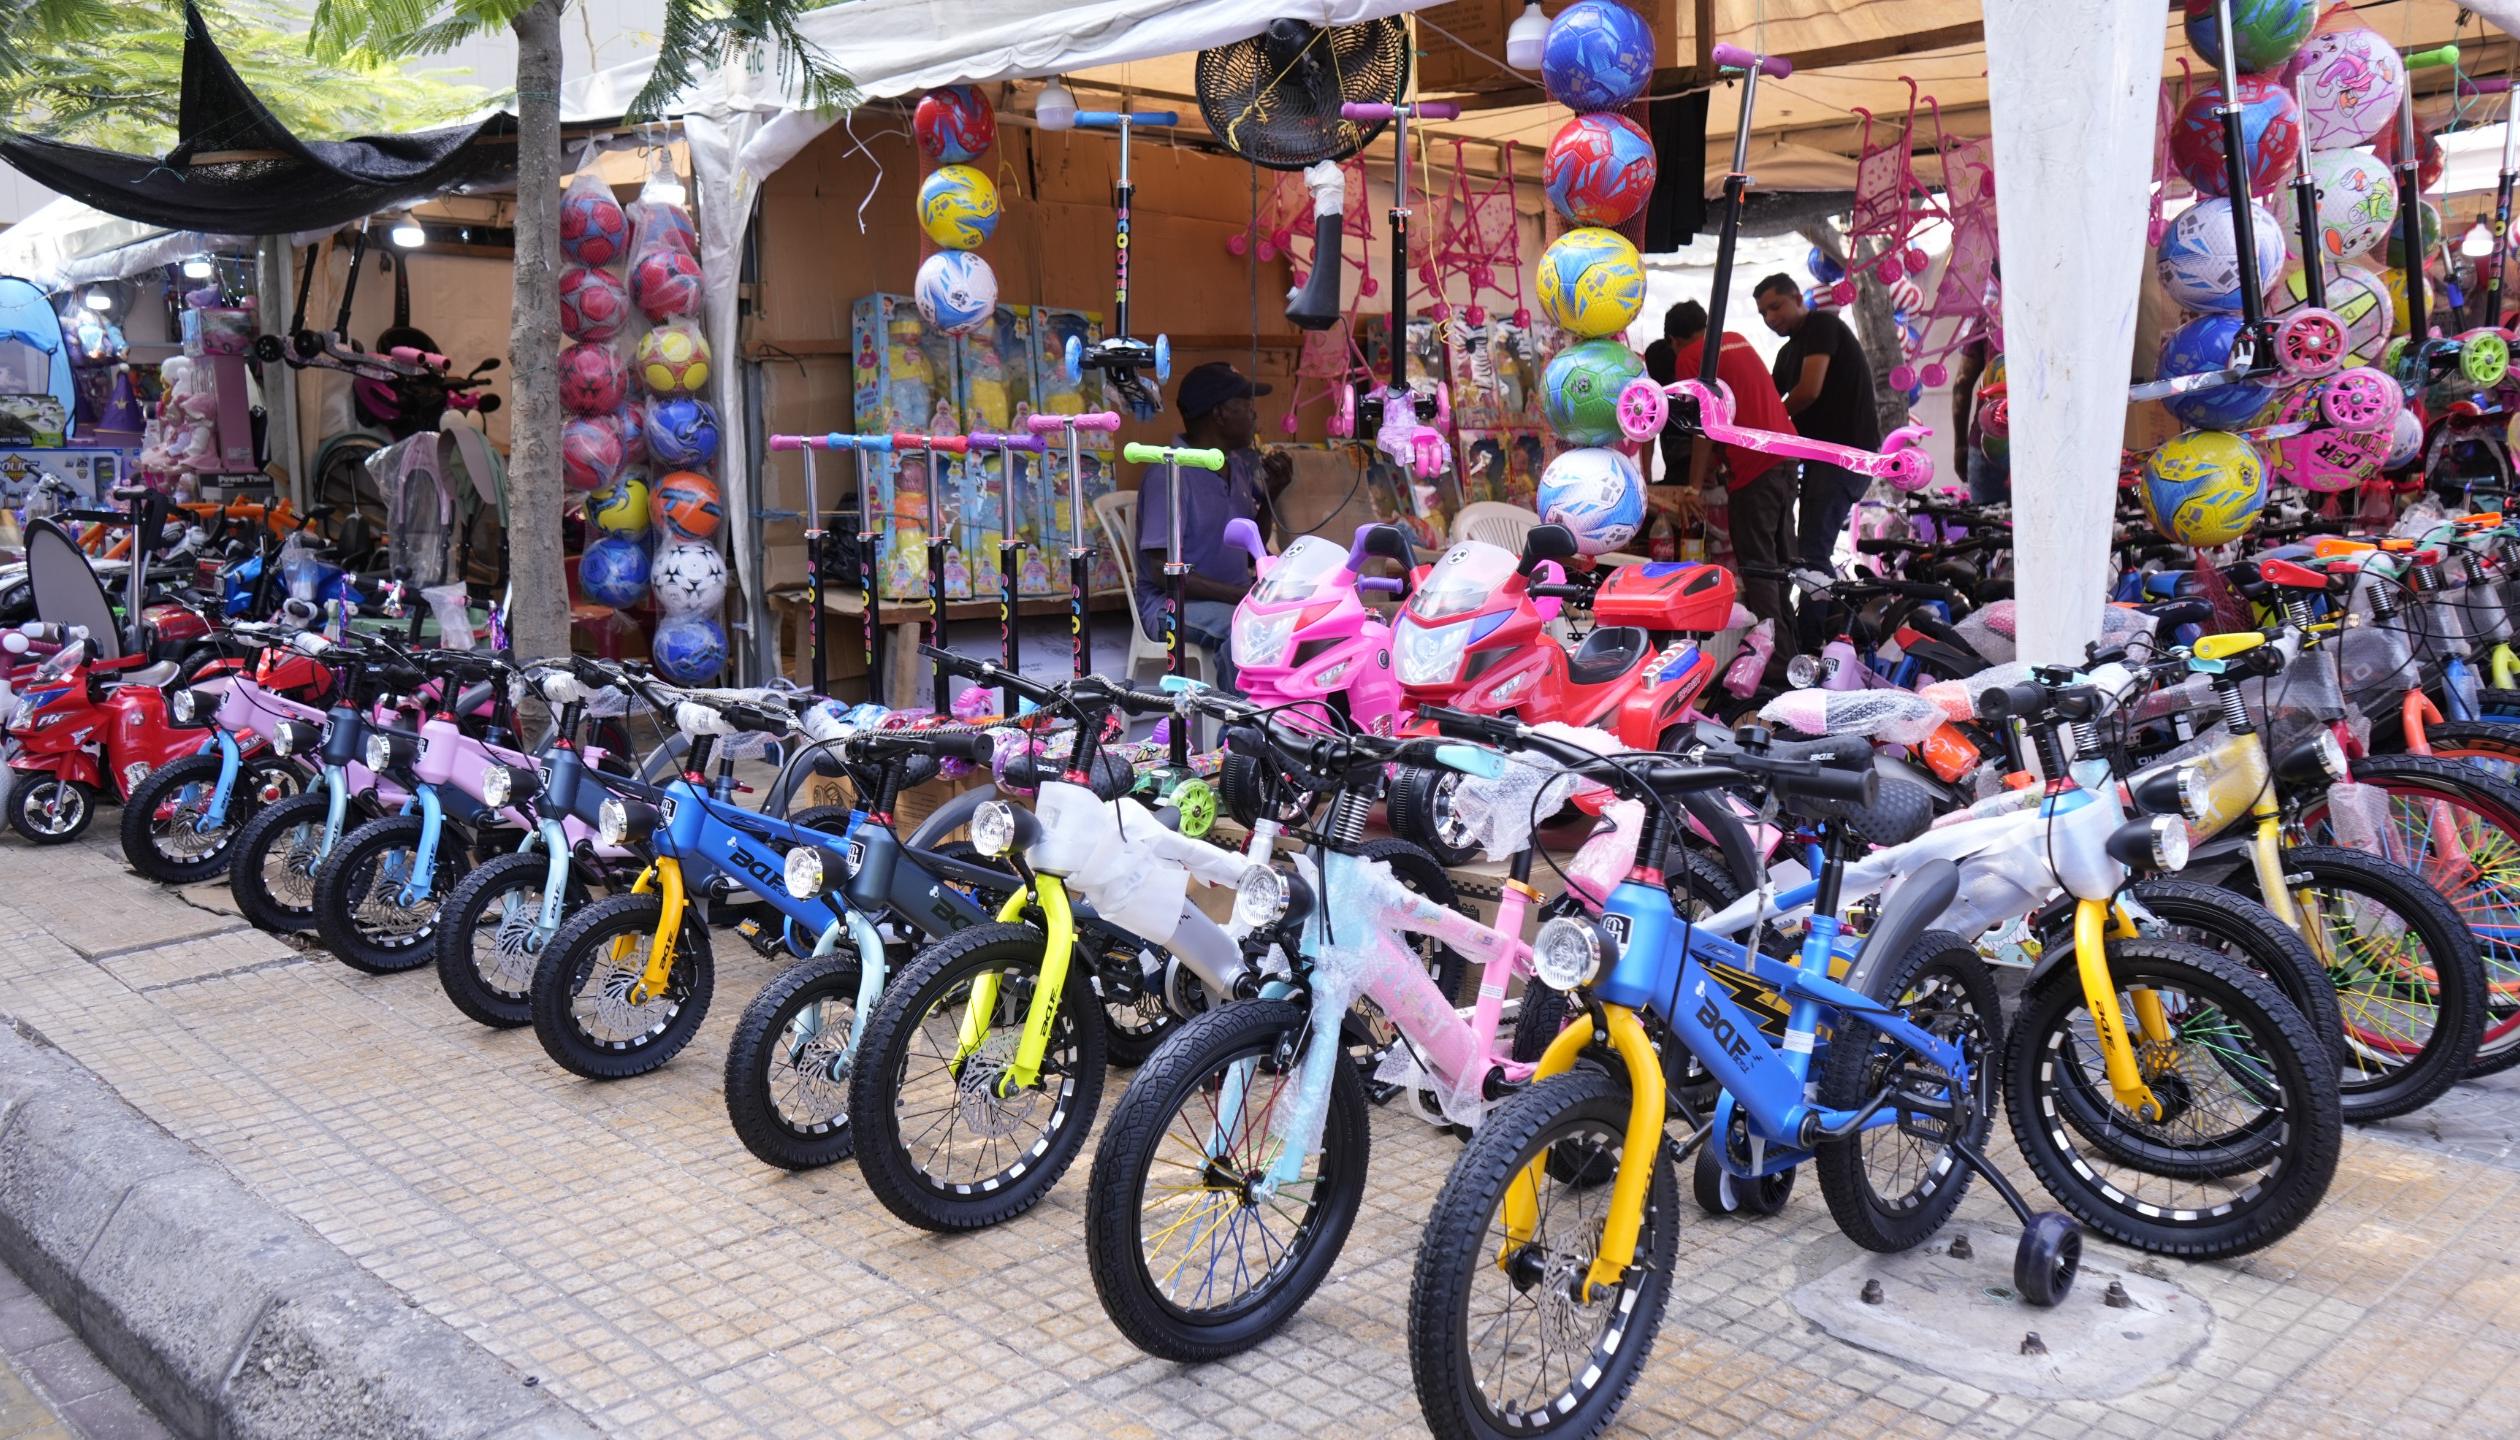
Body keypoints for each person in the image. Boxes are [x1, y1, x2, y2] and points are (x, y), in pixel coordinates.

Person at [1133, 362, 1292, 690]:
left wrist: (1272, 494)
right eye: (1247, 406)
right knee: (1247, 630)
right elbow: (1161, 570)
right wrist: (1239, 595)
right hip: (1172, 606)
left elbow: (1250, 554)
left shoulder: (1236, 465)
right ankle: (1240, 732)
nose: (1255, 415)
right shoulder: (1170, 471)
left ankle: (1286, 724)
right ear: (1220, 413)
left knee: (1300, 620)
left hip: (1233, 599)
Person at [1664, 300, 1799, 630]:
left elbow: (1704, 426)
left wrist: (1693, 487)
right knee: (1783, 563)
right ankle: (1794, 649)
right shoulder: (1736, 338)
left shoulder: (1691, 357)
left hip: (1754, 466)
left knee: (1758, 567)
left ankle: (1774, 661)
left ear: (1674, 340)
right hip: (1787, 455)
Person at [1755, 274, 1882, 569]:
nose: (1770, 318)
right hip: (1821, 460)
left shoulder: (1822, 326)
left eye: (1775, 307)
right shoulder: (1787, 353)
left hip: (1844, 456)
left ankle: (1822, 616)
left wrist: (1773, 428)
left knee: (1812, 554)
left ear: (1798, 299)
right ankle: (1831, 614)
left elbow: (1809, 390)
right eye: (1763, 313)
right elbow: (1767, 404)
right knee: (1807, 552)